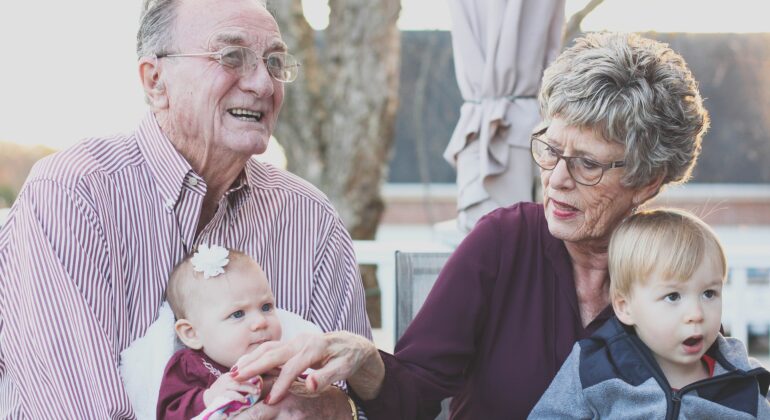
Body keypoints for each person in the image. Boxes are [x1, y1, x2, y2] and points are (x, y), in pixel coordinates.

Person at [231, 32, 713, 419]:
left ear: (648, 181)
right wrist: (365, 359)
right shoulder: (503, 242)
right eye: (550, 149)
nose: (556, 180)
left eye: (587, 164)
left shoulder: (678, 267)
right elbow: (413, 396)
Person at [0, 0, 370, 417]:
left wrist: (314, 406)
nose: (264, 84)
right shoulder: (73, 196)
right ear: (156, 80)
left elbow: (355, 400)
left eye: (274, 61)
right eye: (232, 56)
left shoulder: (310, 218)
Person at [529, 209, 770, 419]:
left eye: (708, 293)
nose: (696, 314)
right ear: (625, 307)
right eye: (673, 296)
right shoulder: (595, 367)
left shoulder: (742, 382)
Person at [157, 245, 281, 419]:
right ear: (192, 333)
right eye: (238, 314)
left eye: (266, 306)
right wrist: (207, 398)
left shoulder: (281, 361)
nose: (261, 321)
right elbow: (167, 414)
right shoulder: (190, 366)